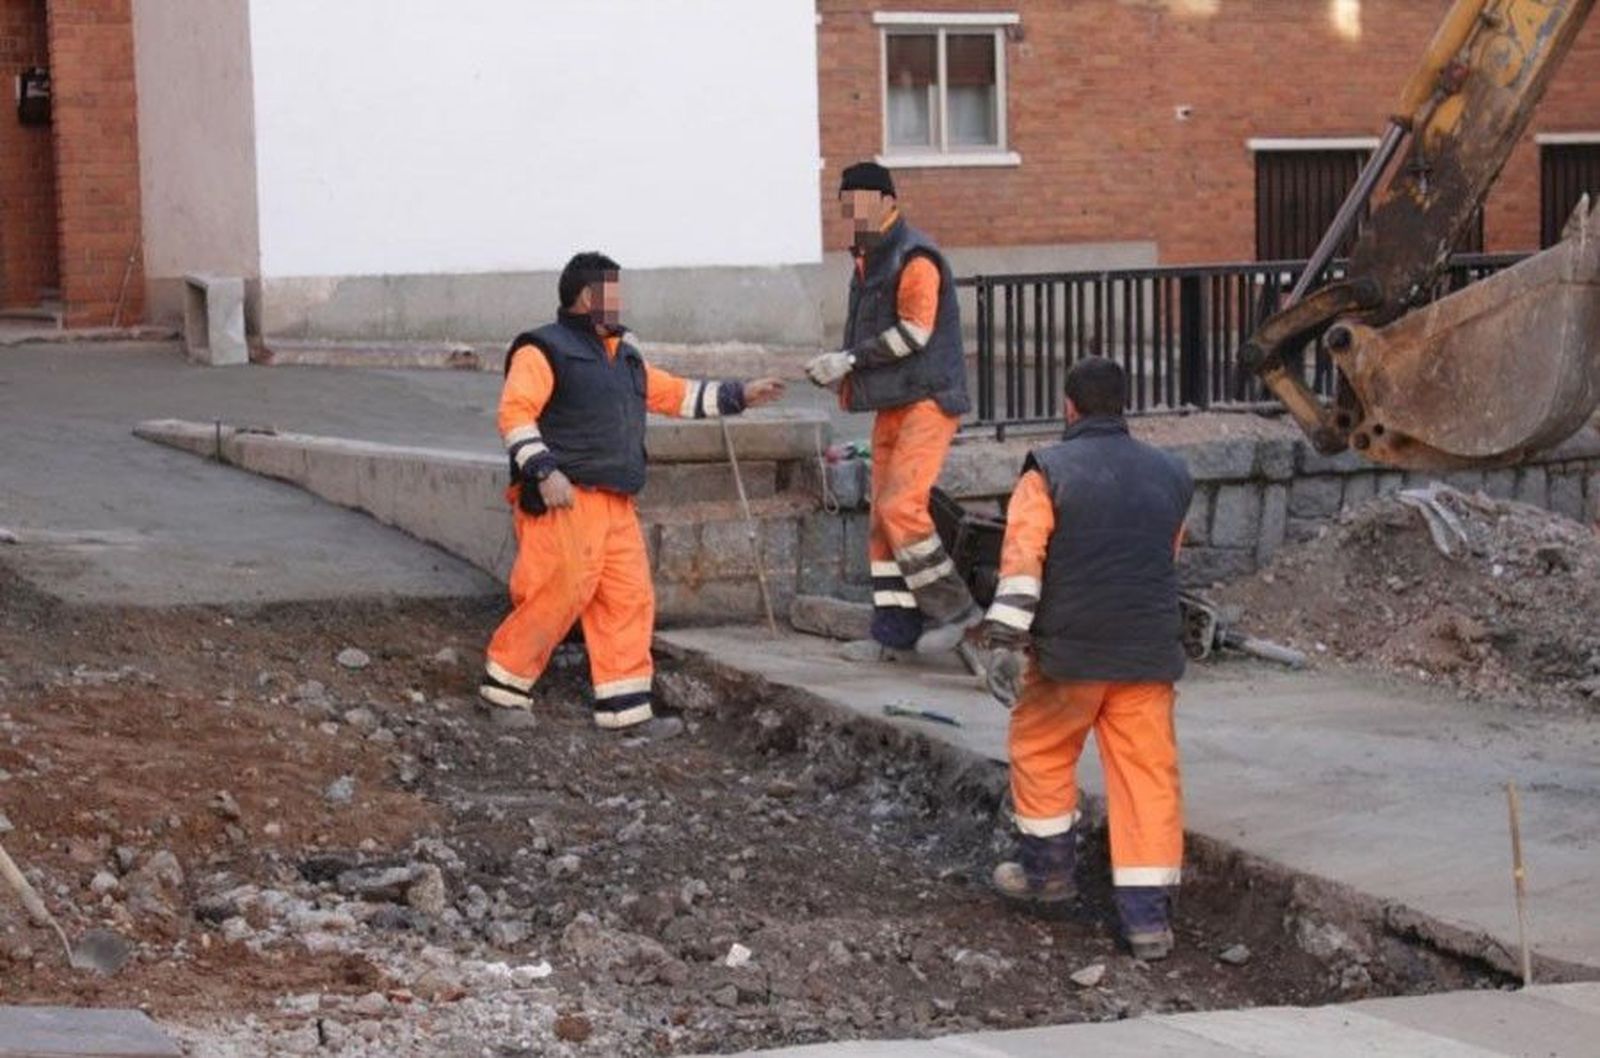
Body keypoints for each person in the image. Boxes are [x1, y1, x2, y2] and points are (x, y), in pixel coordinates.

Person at [479, 251, 784, 733]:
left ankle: (625, 710)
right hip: (565, 499)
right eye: (612, 292)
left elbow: (676, 394)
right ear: (588, 297)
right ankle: (503, 691)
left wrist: (740, 395)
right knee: (557, 592)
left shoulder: (625, 357)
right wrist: (544, 471)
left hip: (615, 502)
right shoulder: (542, 349)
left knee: (628, 599)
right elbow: (515, 414)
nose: (620, 302)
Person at [975, 356, 1195, 960]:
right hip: (1147, 656)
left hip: (1069, 657)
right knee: (1147, 779)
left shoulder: (1048, 471)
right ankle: (1148, 922)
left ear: (1068, 407)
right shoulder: (1173, 474)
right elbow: (1164, 558)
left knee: (1042, 751)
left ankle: (1048, 877)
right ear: (1124, 405)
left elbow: (1023, 563)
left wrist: (1004, 641)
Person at [805, 161, 977, 656]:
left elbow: (915, 333)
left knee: (901, 506)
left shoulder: (913, 256)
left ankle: (957, 611)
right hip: (895, 400)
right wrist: (844, 372)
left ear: (887, 201)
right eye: (846, 205)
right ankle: (893, 636)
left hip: (928, 399)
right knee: (882, 518)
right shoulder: (871, 256)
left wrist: (848, 361)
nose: (852, 212)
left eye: (860, 202)